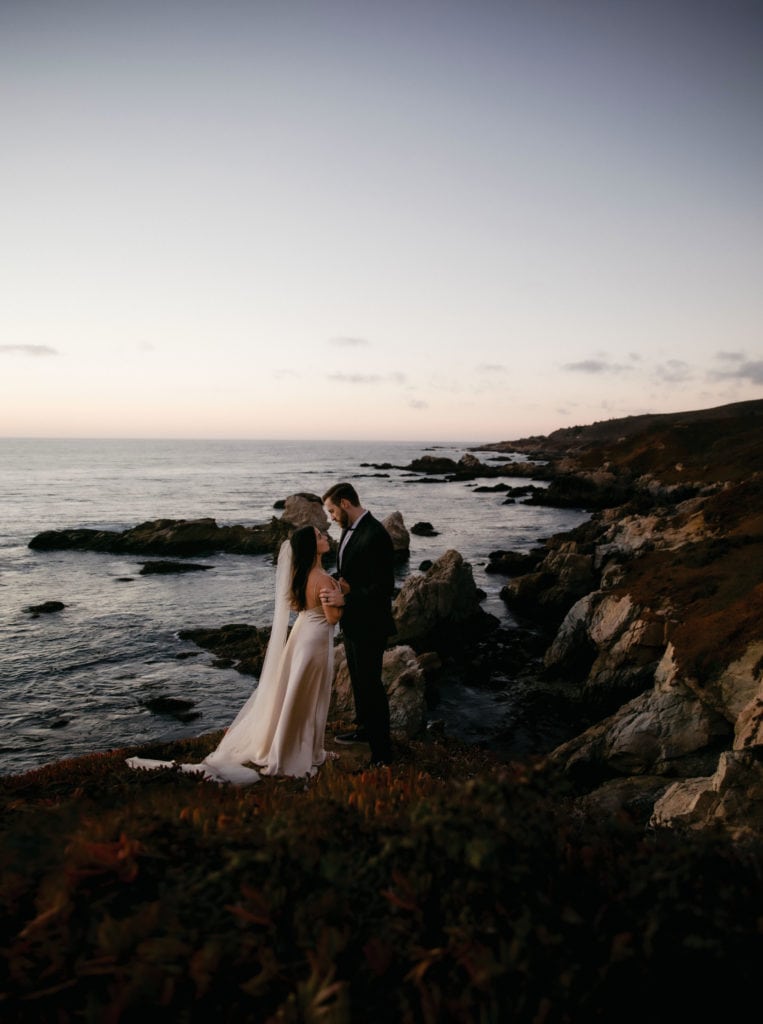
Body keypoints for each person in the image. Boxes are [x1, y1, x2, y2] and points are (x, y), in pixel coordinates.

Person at [126, 526, 343, 784]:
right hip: (316, 639)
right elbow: (332, 618)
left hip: (300, 636)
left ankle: (300, 748)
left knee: (296, 695)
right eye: (320, 536)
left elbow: (301, 606)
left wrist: (341, 590)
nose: (326, 537)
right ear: (311, 546)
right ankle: (307, 752)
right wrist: (341, 600)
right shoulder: (324, 579)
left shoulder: (301, 575)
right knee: (312, 696)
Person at [320, 482, 395, 767]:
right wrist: (334, 581)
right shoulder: (349, 531)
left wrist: (348, 595)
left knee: (371, 686)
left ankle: (382, 755)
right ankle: (365, 731)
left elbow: (384, 587)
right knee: (359, 682)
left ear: (345, 503)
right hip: (352, 622)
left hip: (370, 624)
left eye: (332, 510)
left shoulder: (375, 534)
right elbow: (351, 572)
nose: (331, 517)